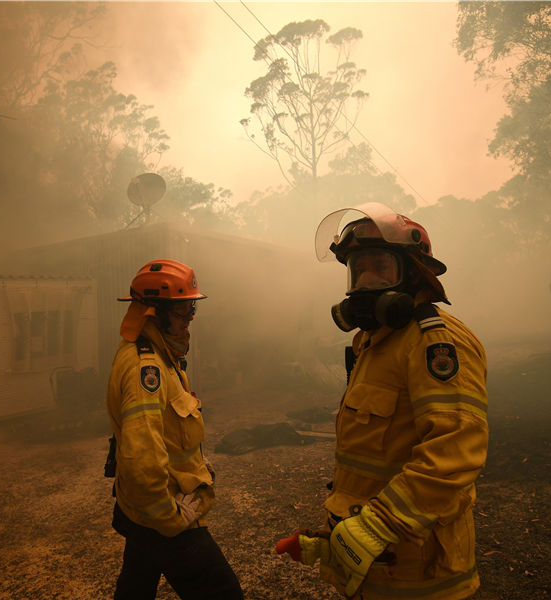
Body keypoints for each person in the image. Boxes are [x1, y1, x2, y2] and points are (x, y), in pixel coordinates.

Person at [276, 203, 489, 600]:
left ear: (413, 272)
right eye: (359, 270)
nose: (367, 282)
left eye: (380, 268)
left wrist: (378, 524)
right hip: (375, 564)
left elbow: (455, 452)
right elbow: (374, 460)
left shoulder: (434, 343)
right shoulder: (374, 343)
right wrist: (337, 536)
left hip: (418, 576)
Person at [105, 258, 243, 600]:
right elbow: (141, 459)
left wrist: (193, 463)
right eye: (184, 311)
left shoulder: (160, 356)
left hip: (140, 512)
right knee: (223, 593)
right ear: (154, 312)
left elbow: (167, 432)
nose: (190, 319)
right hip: (165, 513)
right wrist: (171, 520)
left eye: (191, 308)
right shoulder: (146, 370)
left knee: (136, 586)